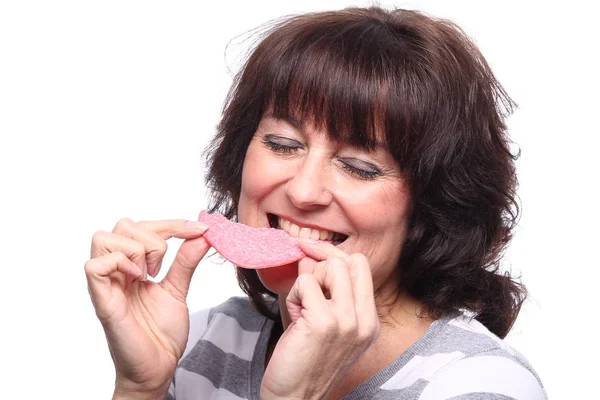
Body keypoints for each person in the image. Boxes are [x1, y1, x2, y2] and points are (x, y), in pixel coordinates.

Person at [85, 6, 547, 399]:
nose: (303, 191)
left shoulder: (478, 384)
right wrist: (140, 387)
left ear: (432, 205)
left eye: (360, 166)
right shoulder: (201, 340)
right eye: (284, 144)